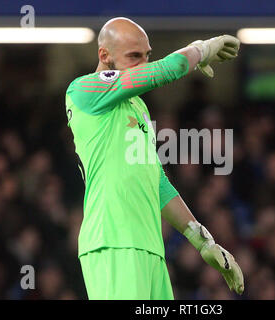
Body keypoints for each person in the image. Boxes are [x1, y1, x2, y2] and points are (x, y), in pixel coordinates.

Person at [65, 17, 243, 300]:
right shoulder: (83, 91)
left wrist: (203, 240)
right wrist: (201, 49)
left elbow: (156, 180)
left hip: (150, 247)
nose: (143, 64)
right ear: (104, 55)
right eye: (134, 56)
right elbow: (166, 70)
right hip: (114, 242)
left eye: (146, 56)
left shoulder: (137, 107)